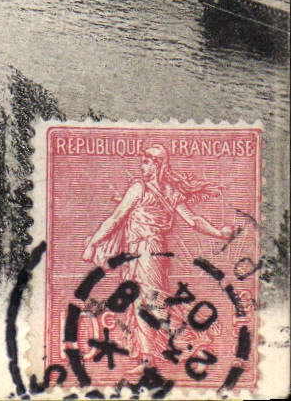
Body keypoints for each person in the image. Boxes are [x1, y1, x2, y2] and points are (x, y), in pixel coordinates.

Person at [80, 145, 229, 368]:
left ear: (158, 165)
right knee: (145, 304)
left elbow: (115, 219)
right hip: (146, 253)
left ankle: (183, 340)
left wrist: (93, 241)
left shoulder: (139, 189)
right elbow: (193, 220)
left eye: (147, 162)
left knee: (149, 302)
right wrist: (218, 233)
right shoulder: (167, 192)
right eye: (142, 161)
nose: (142, 166)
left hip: (147, 252)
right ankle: (162, 352)